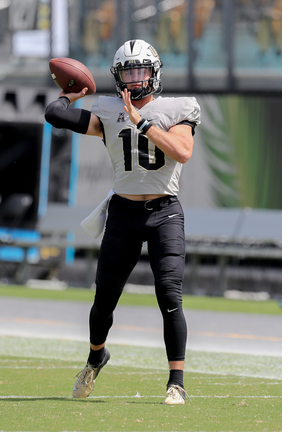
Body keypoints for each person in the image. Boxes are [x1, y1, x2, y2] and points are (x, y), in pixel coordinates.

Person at [44, 39, 201, 405]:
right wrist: (72, 93)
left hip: (165, 212)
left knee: (170, 295)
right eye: (127, 72)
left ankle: (175, 382)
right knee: (104, 301)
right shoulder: (109, 111)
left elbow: (182, 152)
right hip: (123, 213)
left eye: (140, 70)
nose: (135, 79)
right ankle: (96, 356)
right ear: (118, 77)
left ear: (154, 72)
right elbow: (54, 114)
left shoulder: (177, 108)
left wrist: (142, 122)